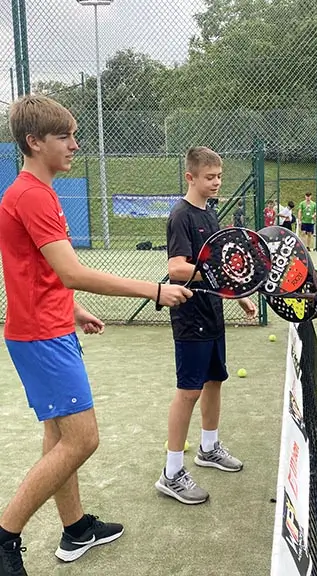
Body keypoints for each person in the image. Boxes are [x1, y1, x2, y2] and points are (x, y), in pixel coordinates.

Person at [0, 95, 191, 575]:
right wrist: (154, 290)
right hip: (41, 338)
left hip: (50, 327)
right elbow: (71, 272)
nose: (74, 145)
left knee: (58, 436)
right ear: (34, 141)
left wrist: (76, 311)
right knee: (82, 440)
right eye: (64, 136)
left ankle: (76, 528)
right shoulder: (32, 195)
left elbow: (39, 274)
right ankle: (5, 537)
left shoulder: (36, 192)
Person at [155, 146, 257, 506]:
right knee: (189, 392)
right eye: (210, 177)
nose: (216, 182)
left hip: (212, 314)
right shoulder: (180, 216)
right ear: (191, 177)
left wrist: (238, 293)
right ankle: (171, 473)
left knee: (215, 381)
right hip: (189, 317)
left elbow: (218, 264)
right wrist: (216, 274)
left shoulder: (211, 215)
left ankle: (209, 448)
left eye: (219, 176)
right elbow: (177, 268)